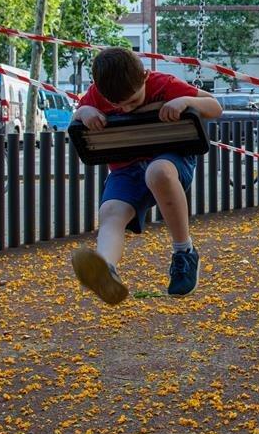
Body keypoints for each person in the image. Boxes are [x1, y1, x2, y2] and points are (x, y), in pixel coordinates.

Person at [70, 47, 222, 304]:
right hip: (126, 168)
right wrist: (86, 113)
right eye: (119, 105)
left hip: (170, 158)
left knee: (157, 172)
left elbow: (215, 106)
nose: (127, 109)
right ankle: (105, 268)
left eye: (133, 100)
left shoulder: (163, 83)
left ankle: (184, 252)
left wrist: (185, 101)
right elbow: (79, 112)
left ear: (144, 76)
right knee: (110, 212)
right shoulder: (98, 94)